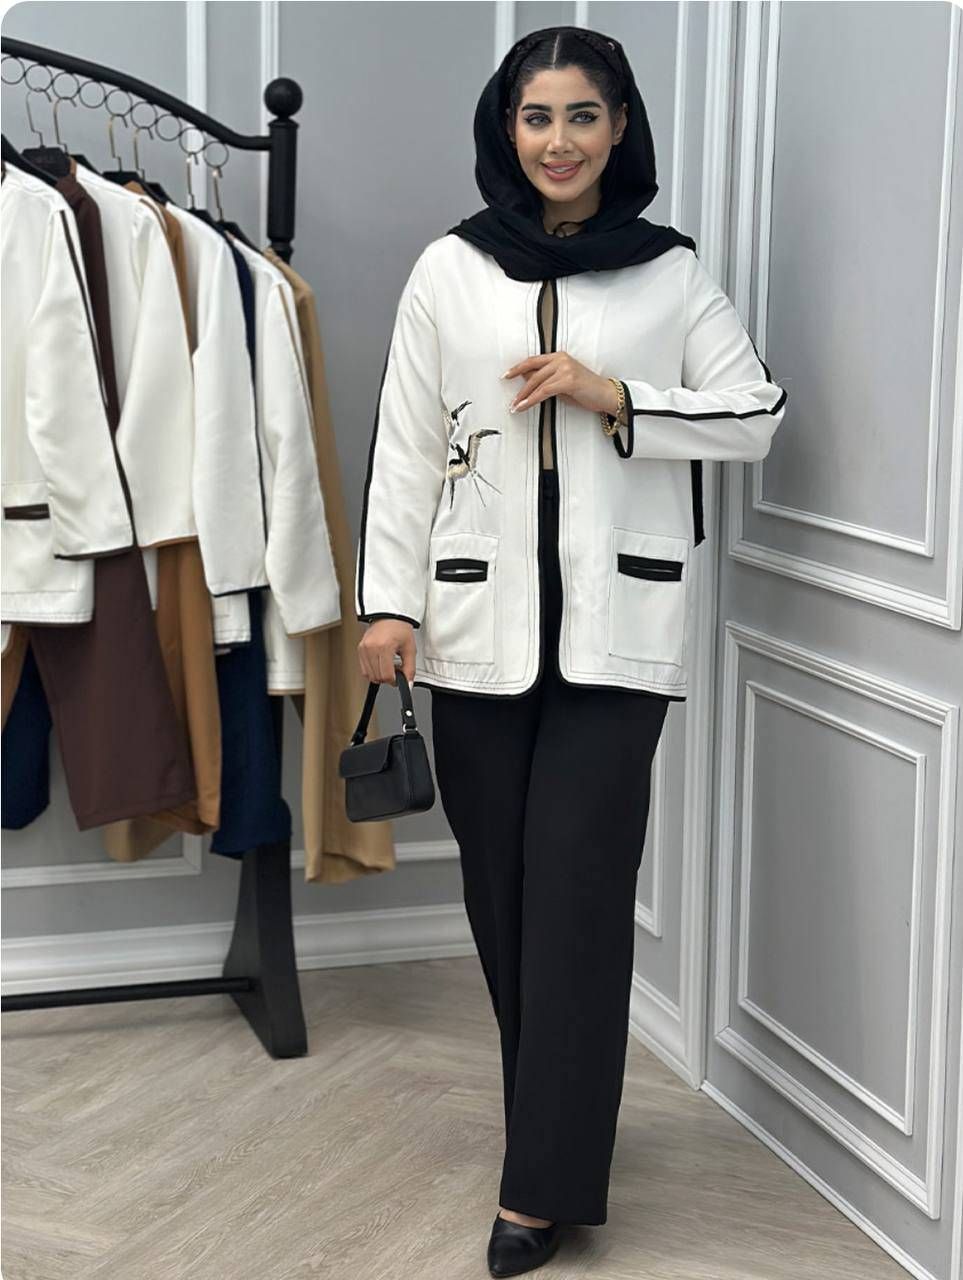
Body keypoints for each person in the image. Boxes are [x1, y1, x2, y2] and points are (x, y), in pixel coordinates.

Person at [355, 24, 787, 1278]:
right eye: (537, 116)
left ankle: (539, 1186)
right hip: (472, 629)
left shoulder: (669, 274)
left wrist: (618, 397)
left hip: (616, 641)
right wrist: (387, 606)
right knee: (504, 902)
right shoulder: (449, 269)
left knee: (579, 901)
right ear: (508, 127)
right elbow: (404, 444)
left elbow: (756, 414)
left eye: (582, 116)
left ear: (620, 127)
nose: (559, 141)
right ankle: (552, 1125)